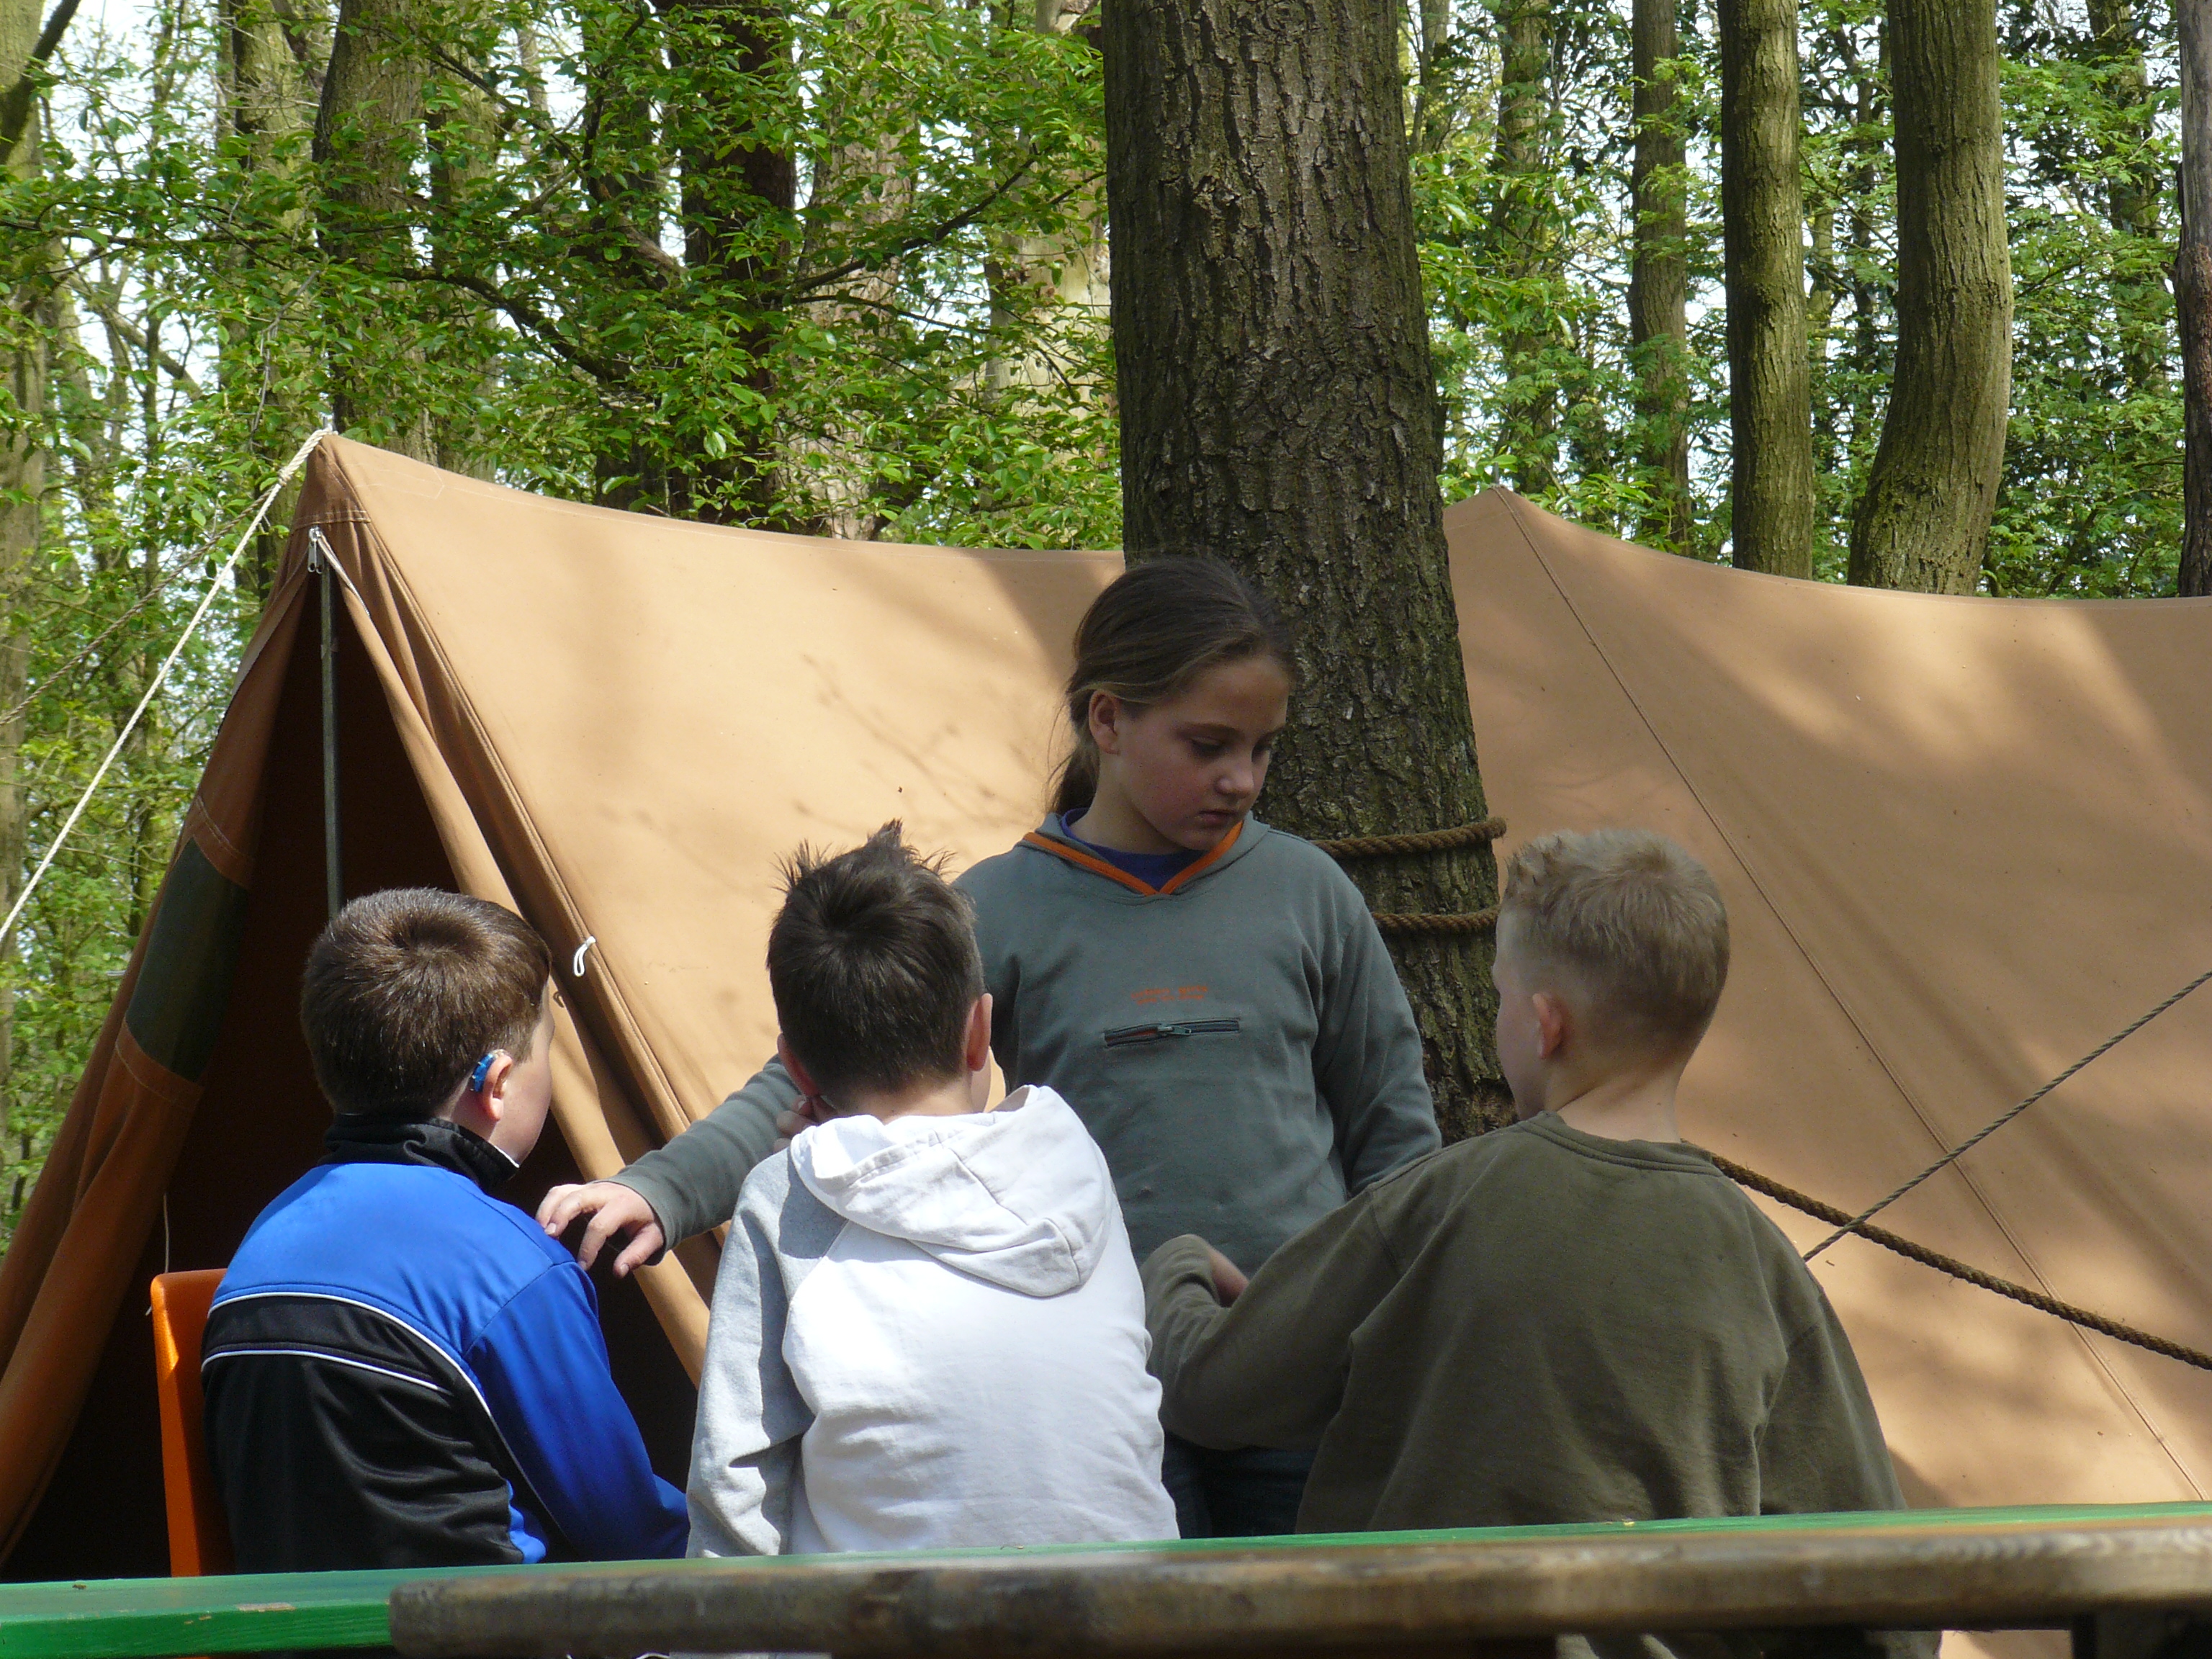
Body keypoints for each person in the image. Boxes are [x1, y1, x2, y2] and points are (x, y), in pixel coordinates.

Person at [539, 555, 1442, 1538]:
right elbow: (821, 1066)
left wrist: (1391, 1329)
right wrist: (660, 1190)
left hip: (1294, 1374)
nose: (1243, 779)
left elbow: (1395, 1139)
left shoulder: (1309, 894)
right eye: (1209, 745)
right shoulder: (1003, 905)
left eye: (1264, 749)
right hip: (1108, 1379)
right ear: (1108, 721)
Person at [1141, 828, 1911, 1547]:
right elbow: (1870, 1562)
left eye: (1502, 996)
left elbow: (1215, 1390)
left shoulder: (1446, 1199)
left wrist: (1178, 1268)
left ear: (1546, 1025)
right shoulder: (1764, 1263)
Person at [688, 826, 1176, 1554]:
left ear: (796, 1068)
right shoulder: (1073, 1160)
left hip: (904, 1611)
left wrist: (810, 1166)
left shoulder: (786, 1196)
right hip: (1138, 1604)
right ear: (980, 1031)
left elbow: (736, 1483)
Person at [202, 888, 688, 1571]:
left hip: (294, 1625)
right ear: (498, 1083)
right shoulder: (511, 1267)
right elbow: (628, 1531)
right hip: (480, 1622)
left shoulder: (263, 1242)